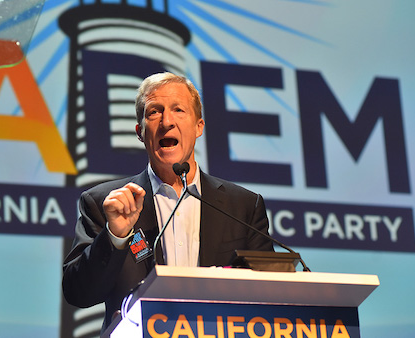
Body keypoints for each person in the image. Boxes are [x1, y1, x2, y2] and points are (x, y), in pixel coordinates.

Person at [62, 72, 273, 332]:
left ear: (199, 127)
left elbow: (268, 296)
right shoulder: (105, 204)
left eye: (178, 110)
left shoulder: (242, 207)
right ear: (140, 132)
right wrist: (115, 236)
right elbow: (79, 294)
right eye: (154, 112)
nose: (167, 122)